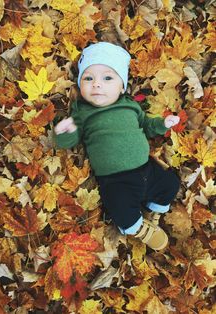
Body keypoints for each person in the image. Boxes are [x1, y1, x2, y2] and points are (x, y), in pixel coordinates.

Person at [53, 42, 180, 251]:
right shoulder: (83, 113)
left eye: (107, 78)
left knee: (170, 184)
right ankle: (138, 228)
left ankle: (153, 211)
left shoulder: (130, 106)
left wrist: (161, 124)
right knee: (120, 209)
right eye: (88, 78)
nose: (96, 84)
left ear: (122, 86)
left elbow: (147, 125)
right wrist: (64, 132)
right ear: (80, 85)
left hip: (147, 169)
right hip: (116, 180)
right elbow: (70, 141)